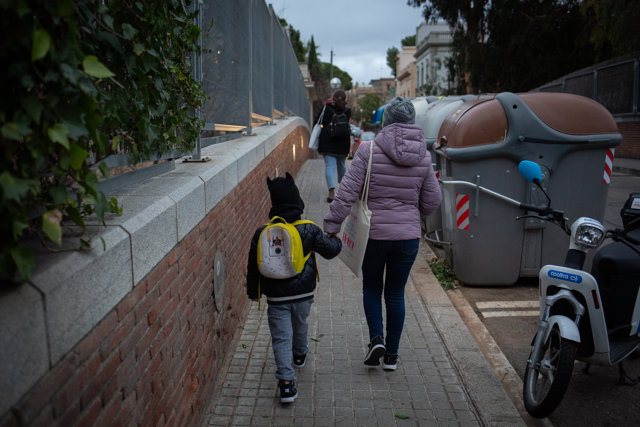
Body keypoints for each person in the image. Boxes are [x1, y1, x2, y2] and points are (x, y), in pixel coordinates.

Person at [323, 97, 442, 371]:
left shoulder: (369, 150)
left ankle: (376, 338)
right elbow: (433, 200)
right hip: (408, 238)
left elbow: (346, 192)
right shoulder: (424, 156)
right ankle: (392, 356)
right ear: (412, 122)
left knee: (373, 287)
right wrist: (413, 213)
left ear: (386, 121)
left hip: (374, 235)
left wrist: (331, 226)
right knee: (396, 293)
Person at [246, 172, 342, 403]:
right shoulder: (308, 228)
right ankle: (299, 355)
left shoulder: (262, 233)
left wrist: (254, 292)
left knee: (280, 338)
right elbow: (330, 250)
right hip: (303, 294)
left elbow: (253, 267)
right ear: (297, 201)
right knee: (300, 323)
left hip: (276, 297)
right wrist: (336, 239)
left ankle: (286, 385)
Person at [316, 90, 351, 202]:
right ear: (345, 99)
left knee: (330, 166)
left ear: (333, 98)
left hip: (328, 142)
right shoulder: (347, 111)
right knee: (341, 165)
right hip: (343, 142)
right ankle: (343, 189)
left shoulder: (326, 108)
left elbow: (318, 122)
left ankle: (331, 192)